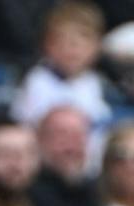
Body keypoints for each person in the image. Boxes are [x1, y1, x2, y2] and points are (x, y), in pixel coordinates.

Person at [11, 1, 111, 134]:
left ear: (97, 46)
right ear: (47, 45)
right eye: (63, 40)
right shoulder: (37, 81)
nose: (73, 48)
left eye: (83, 39)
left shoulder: (100, 83)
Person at [28, 103, 117, 206]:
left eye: (78, 136)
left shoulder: (90, 190)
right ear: (39, 140)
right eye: (61, 135)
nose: (71, 146)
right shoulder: (26, 194)